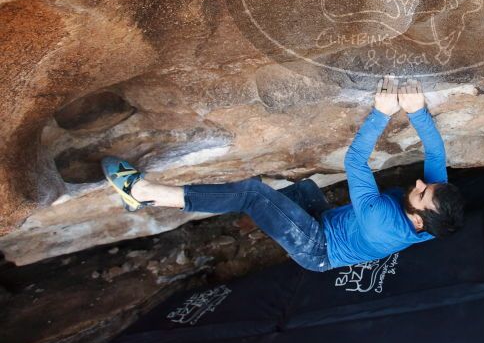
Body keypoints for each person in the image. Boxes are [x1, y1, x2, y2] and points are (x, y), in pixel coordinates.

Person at [101, 76, 465, 272]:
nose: (419, 184)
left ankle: (146, 194)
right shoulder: (436, 220)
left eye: (420, 193)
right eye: (427, 185)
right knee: (300, 190)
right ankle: (234, 206)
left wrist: (382, 112)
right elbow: (436, 153)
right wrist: (417, 111)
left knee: (254, 194)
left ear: (417, 222)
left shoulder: (380, 221)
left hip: (318, 248)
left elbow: (355, 161)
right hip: (327, 219)